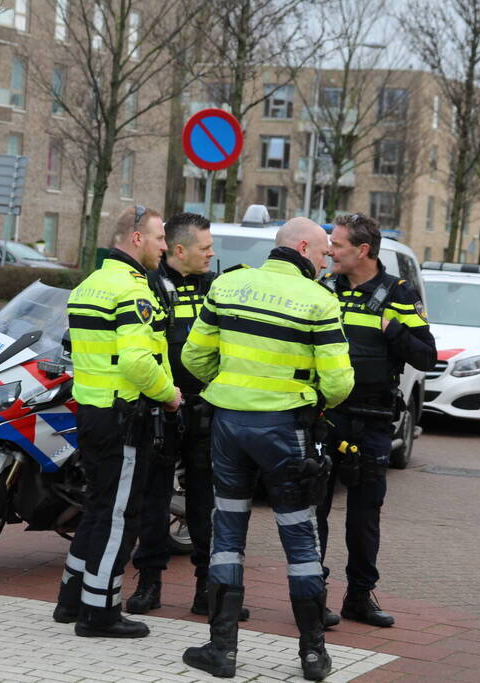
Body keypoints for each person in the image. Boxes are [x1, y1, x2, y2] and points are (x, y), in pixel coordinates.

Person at [180, 217, 354, 681]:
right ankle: (313, 655)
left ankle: (222, 651)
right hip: (284, 430)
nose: (326, 263)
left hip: (228, 426)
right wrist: (311, 397)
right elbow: (339, 381)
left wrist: (231, 384)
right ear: (301, 247)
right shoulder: (319, 300)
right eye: (322, 254)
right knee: (299, 538)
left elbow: (194, 357)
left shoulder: (229, 285)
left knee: (228, 533)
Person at [52, 205, 181, 638]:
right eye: (160, 237)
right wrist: (170, 395)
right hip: (125, 418)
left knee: (98, 508)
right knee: (119, 517)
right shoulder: (133, 291)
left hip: (91, 413)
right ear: (136, 238)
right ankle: (100, 613)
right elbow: (136, 362)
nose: (165, 247)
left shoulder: (88, 286)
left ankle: (72, 599)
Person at [316, 213, 436, 629]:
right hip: (325, 417)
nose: (329, 250)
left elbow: (426, 356)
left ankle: (359, 597)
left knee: (365, 513)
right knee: (315, 510)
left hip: (372, 419)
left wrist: (395, 331)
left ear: (363, 251)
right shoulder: (324, 289)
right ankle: (313, 594)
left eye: (338, 244)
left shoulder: (399, 294)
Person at [126, 212, 245, 621]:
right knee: (154, 499)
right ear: (179, 250)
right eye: (205, 248)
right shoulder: (149, 289)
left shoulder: (219, 288)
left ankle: (204, 588)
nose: (212, 254)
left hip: (207, 411)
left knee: (205, 502)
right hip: (161, 409)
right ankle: (149, 583)